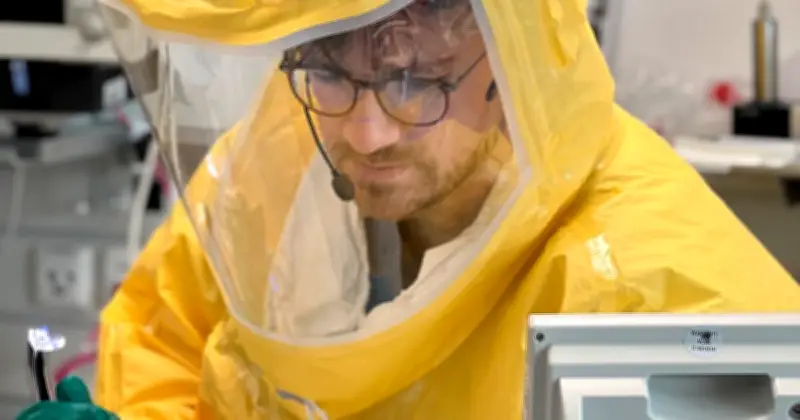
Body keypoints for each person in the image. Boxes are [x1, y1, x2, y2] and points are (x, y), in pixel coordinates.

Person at [18, 0, 800, 418]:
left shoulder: (650, 301)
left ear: (516, 66)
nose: (368, 135)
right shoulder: (277, 164)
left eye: (417, 82)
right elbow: (167, 343)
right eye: (330, 71)